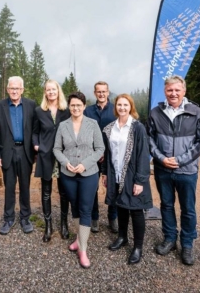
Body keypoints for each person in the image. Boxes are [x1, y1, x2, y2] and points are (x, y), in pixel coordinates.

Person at [148, 75, 200, 266]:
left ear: (184, 91)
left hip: (187, 170)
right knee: (166, 205)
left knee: (188, 209)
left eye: (177, 90)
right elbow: (150, 139)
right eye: (169, 90)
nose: (173, 93)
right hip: (162, 169)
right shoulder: (155, 113)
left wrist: (180, 160)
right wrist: (162, 159)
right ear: (165, 91)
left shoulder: (196, 112)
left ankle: (187, 243)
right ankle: (170, 238)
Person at [53, 91, 105, 269]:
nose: (75, 108)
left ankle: (83, 250)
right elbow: (57, 149)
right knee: (74, 207)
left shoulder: (93, 124)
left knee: (85, 209)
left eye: (79, 105)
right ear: (69, 106)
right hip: (68, 175)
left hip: (88, 173)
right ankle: (79, 238)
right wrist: (65, 163)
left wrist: (84, 164)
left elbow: (100, 148)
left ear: (84, 106)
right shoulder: (63, 125)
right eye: (72, 105)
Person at [101, 94, 152, 264]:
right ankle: (122, 237)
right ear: (116, 107)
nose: (122, 108)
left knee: (136, 210)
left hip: (132, 174)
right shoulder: (110, 128)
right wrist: (105, 173)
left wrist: (140, 180)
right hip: (115, 173)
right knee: (121, 206)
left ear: (131, 107)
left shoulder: (137, 128)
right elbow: (108, 154)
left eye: (125, 105)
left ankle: (138, 247)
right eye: (119, 105)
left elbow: (144, 155)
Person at [0, 76, 36, 235]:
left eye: (17, 88)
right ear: (7, 89)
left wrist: (36, 152)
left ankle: (25, 218)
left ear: (22, 90)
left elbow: (35, 130)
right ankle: (8, 218)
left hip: (25, 152)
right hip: (6, 153)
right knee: (9, 187)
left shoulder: (31, 105)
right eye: (12, 88)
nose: (14, 91)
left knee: (25, 186)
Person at [32, 79, 71, 242]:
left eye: (53, 89)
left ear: (58, 91)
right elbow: (35, 132)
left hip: (63, 156)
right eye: (48, 90)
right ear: (45, 92)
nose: (51, 92)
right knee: (46, 192)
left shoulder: (66, 110)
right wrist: (36, 145)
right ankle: (48, 226)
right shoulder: (39, 111)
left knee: (64, 192)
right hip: (46, 155)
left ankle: (64, 223)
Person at [84, 81, 118, 234]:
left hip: (112, 155)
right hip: (92, 156)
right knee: (92, 188)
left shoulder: (115, 110)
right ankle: (94, 217)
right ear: (95, 93)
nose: (101, 94)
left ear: (108, 92)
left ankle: (113, 217)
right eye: (99, 91)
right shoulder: (88, 111)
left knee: (113, 187)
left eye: (104, 91)